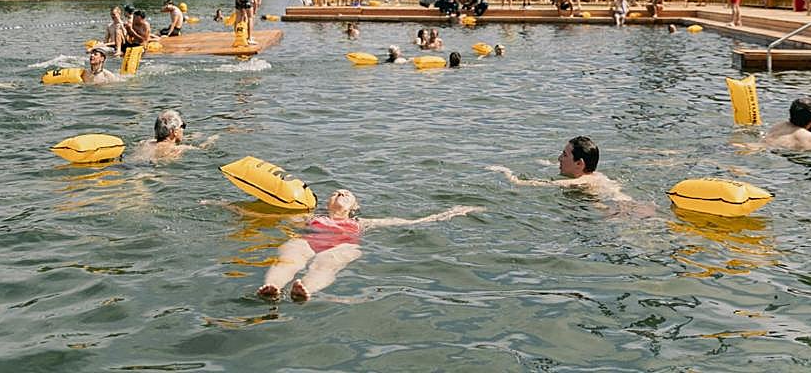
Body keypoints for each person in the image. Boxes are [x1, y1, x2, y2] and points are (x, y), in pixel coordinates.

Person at [255, 189, 479, 301]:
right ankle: (273, 287)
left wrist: (451, 213)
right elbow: (274, 216)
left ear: (354, 206)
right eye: (335, 192)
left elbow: (410, 222)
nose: (340, 193)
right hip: (309, 239)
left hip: (341, 245)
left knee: (327, 263)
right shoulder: (311, 217)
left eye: (347, 194)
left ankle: (305, 290)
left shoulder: (361, 223)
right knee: (291, 254)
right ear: (327, 202)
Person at [488, 136, 632, 203]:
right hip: (623, 201)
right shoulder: (596, 175)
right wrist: (545, 163)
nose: (559, 159)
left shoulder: (573, 183)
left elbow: (520, 184)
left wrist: (504, 171)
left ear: (579, 163)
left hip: (616, 209)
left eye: (564, 155)